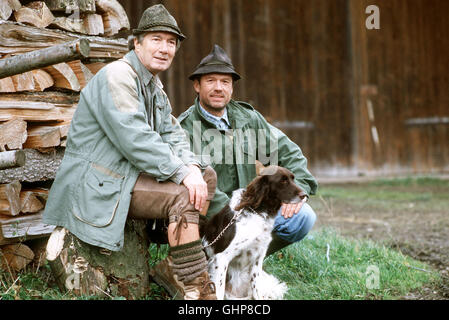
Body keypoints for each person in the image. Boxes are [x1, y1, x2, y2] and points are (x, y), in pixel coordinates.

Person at [43, 5, 217, 300]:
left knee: (205, 176)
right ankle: (197, 291)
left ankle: (175, 268)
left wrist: (190, 167)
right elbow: (135, 138)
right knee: (183, 194)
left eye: (171, 42)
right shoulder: (119, 76)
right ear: (137, 43)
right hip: (95, 182)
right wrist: (181, 173)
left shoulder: (152, 85)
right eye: (156, 39)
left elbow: (173, 134)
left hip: (123, 176)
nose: (164, 48)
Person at [178, 45, 318, 256]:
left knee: (303, 218)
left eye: (225, 82)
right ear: (197, 86)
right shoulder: (184, 128)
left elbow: (289, 153)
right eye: (211, 81)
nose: (218, 88)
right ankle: (208, 258)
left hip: (250, 210)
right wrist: (231, 216)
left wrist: (301, 190)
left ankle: (244, 262)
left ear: (232, 88)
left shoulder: (248, 118)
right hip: (209, 218)